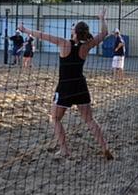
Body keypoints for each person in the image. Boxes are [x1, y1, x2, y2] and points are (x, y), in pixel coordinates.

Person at [18, 8, 113, 159]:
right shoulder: (86, 46)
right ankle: (105, 147)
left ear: (74, 31)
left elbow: (42, 35)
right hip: (80, 86)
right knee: (89, 120)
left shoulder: (63, 43)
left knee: (55, 118)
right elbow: (104, 34)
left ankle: (64, 150)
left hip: (65, 87)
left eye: (72, 27)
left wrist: (25, 29)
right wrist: (102, 18)